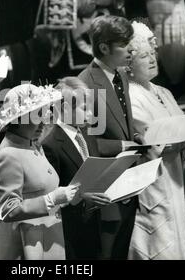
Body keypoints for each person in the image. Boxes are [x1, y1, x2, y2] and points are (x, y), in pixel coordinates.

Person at [125, 21, 185, 259]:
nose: (152, 59)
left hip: (176, 176)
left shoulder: (164, 92)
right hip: (154, 180)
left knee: (181, 239)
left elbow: (179, 129)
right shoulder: (130, 97)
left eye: (154, 54)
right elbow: (150, 140)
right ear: (128, 64)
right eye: (144, 56)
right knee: (161, 242)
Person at [78, 15, 142, 259]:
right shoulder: (85, 84)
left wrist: (135, 134)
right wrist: (123, 144)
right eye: (125, 45)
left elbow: (121, 120)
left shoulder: (120, 75)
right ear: (104, 47)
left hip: (127, 181)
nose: (131, 50)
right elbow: (85, 143)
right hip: (105, 185)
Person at [0, 83, 79, 260]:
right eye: (37, 115)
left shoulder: (32, 143)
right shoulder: (9, 154)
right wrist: (51, 199)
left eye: (44, 112)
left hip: (46, 235)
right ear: (19, 118)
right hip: (26, 246)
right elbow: (7, 210)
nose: (44, 121)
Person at [42, 76, 112, 259]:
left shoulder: (87, 135)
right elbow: (51, 193)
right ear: (64, 108)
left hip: (93, 222)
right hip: (69, 230)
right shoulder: (51, 144)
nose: (91, 114)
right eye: (85, 108)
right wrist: (82, 196)